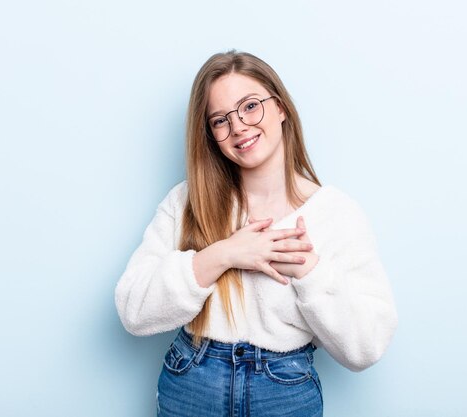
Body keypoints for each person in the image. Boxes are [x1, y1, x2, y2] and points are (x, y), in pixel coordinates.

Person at [114, 50, 398, 417]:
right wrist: (223, 255)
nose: (239, 127)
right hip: (191, 384)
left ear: (280, 107)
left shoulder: (335, 214)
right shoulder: (186, 202)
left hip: (283, 390)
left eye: (250, 106)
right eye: (220, 120)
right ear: (211, 135)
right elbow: (133, 311)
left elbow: (366, 347)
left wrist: (309, 270)